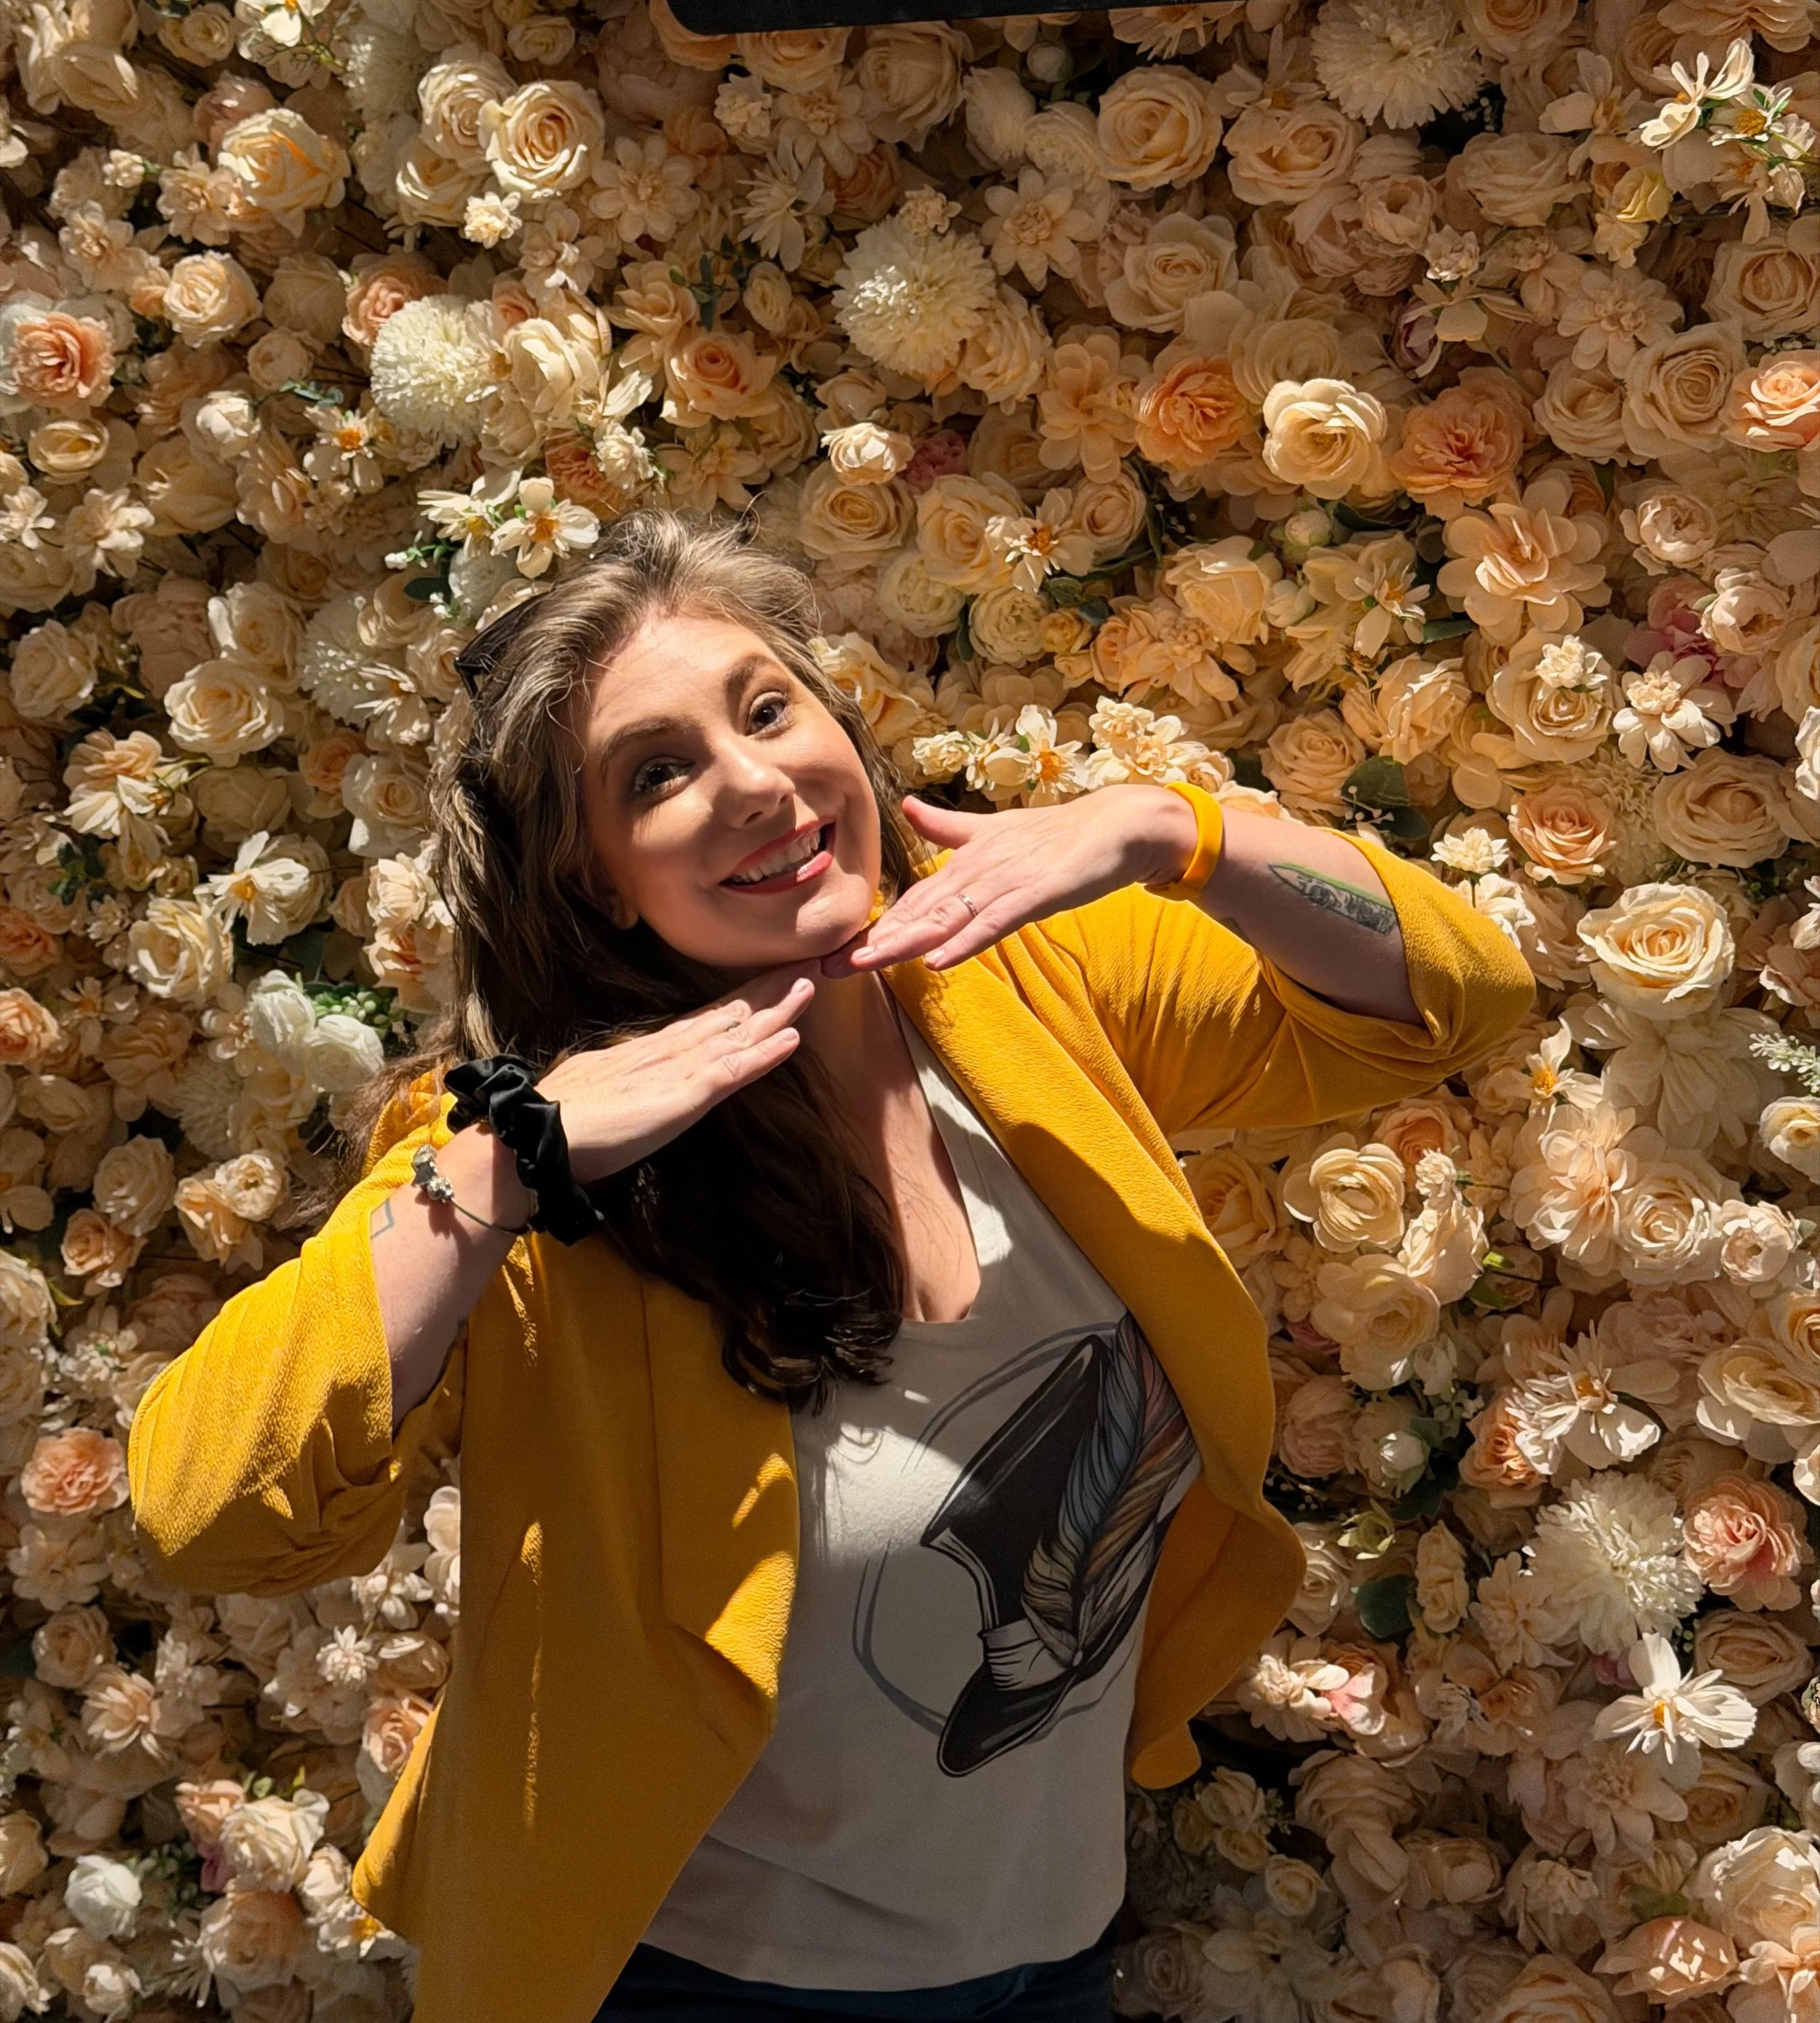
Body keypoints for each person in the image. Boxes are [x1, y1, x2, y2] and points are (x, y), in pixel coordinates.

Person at [127, 512, 1534, 2023]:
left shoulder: (1021, 988)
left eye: (765, 708)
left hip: (1051, 1954)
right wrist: (497, 1168)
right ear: (597, 880)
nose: (752, 782)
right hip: (699, 1987)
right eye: (656, 774)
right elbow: (213, 1515)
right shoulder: (540, 1167)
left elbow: (1451, 999)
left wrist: (1169, 832)